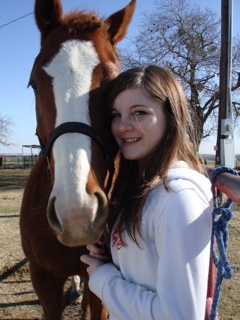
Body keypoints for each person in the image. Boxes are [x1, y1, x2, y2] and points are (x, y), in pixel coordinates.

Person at [81, 65, 213, 320]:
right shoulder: (141, 189)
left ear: (171, 117)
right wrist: (114, 254)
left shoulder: (178, 200)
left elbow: (179, 316)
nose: (123, 126)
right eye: (115, 115)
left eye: (139, 113)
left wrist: (103, 278)